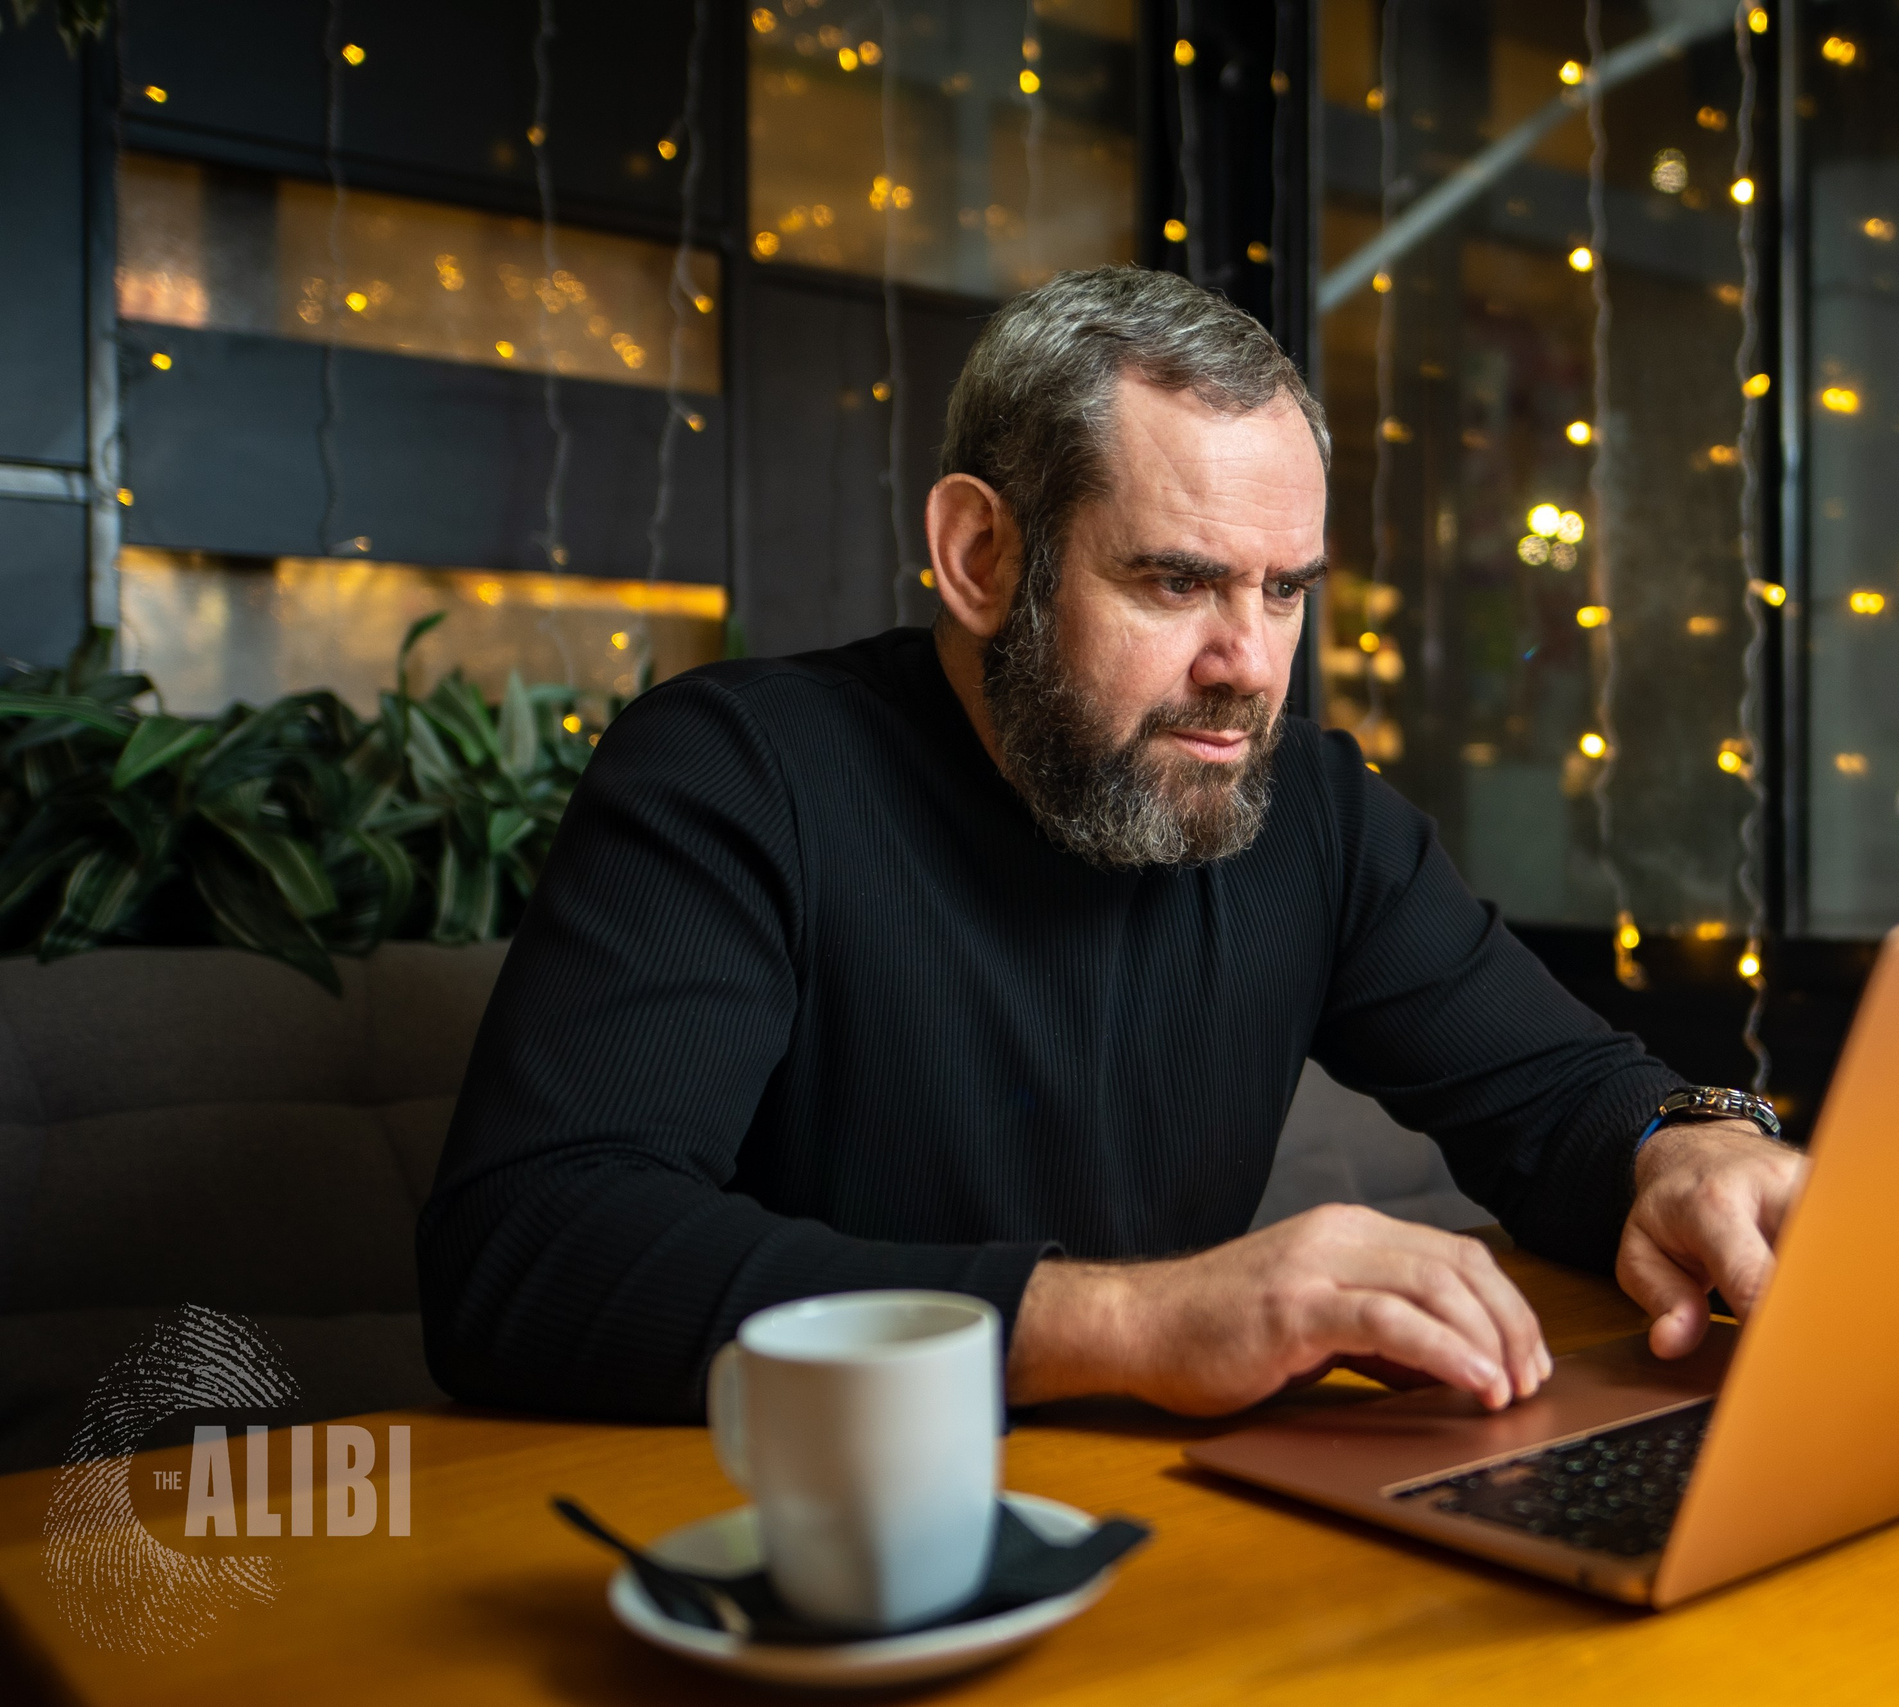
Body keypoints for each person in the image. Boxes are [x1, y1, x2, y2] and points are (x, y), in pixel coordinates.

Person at [416, 267, 1806, 1423]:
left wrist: (1682, 1148)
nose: (1247, 667)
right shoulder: (736, 774)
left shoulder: (1307, 808)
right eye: (1176, 580)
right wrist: (1134, 1322)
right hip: (803, 1561)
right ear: (979, 556)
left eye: (1284, 592)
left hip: (1174, 1530)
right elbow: (537, 1251)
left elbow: (1558, 1086)